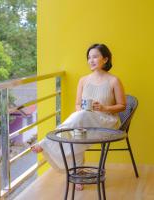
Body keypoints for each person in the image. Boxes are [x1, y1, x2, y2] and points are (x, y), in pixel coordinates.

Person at [31, 43, 126, 191]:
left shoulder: (114, 81)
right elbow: (77, 105)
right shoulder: (83, 80)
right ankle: (77, 174)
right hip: (85, 121)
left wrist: (104, 108)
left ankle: (46, 142)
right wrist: (82, 114)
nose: (91, 60)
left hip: (106, 123)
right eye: (89, 57)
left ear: (105, 59)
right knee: (76, 134)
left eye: (95, 56)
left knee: (79, 121)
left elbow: (122, 106)